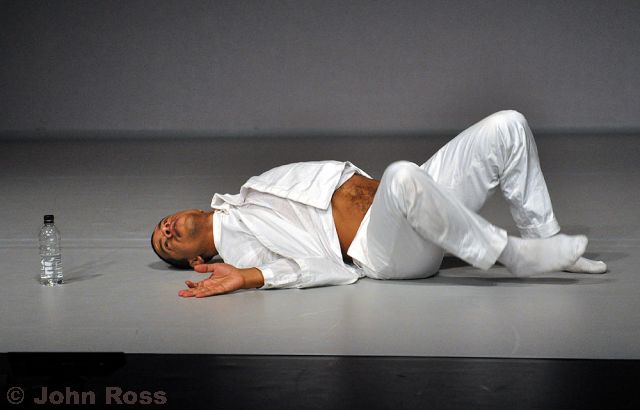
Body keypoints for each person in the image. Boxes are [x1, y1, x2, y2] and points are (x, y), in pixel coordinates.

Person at [151, 110, 607, 298]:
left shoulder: (247, 191)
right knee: (403, 176)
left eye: (162, 224)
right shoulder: (239, 248)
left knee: (508, 125)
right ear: (194, 260)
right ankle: (512, 254)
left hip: (410, 206)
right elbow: (325, 269)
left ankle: (547, 241)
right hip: (386, 250)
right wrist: (250, 277)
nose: (166, 230)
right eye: (165, 243)